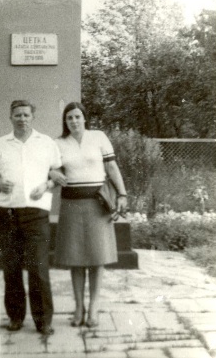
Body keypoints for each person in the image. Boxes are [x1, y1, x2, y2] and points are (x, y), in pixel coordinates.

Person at [0, 100, 62, 335]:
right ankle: (15, 317)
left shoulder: (46, 143)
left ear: (32, 117)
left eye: (26, 115)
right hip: (7, 211)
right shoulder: (0, 144)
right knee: (11, 267)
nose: (22, 119)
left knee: (38, 267)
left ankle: (43, 320)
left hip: (36, 211)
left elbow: (59, 174)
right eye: (17, 115)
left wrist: (46, 185)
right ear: (11, 117)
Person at [50, 102, 127, 328]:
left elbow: (111, 168)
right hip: (71, 204)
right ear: (65, 121)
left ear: (85, 118)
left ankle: (93, 307)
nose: (74, 121)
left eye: (77, 116)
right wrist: (52, 172)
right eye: (69, 118)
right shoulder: (58, 143)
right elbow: (51, 169)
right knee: (75, 259)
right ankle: (79, 308)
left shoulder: (98, 137)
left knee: (97, 257)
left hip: (98, 204)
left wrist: (122, 194)